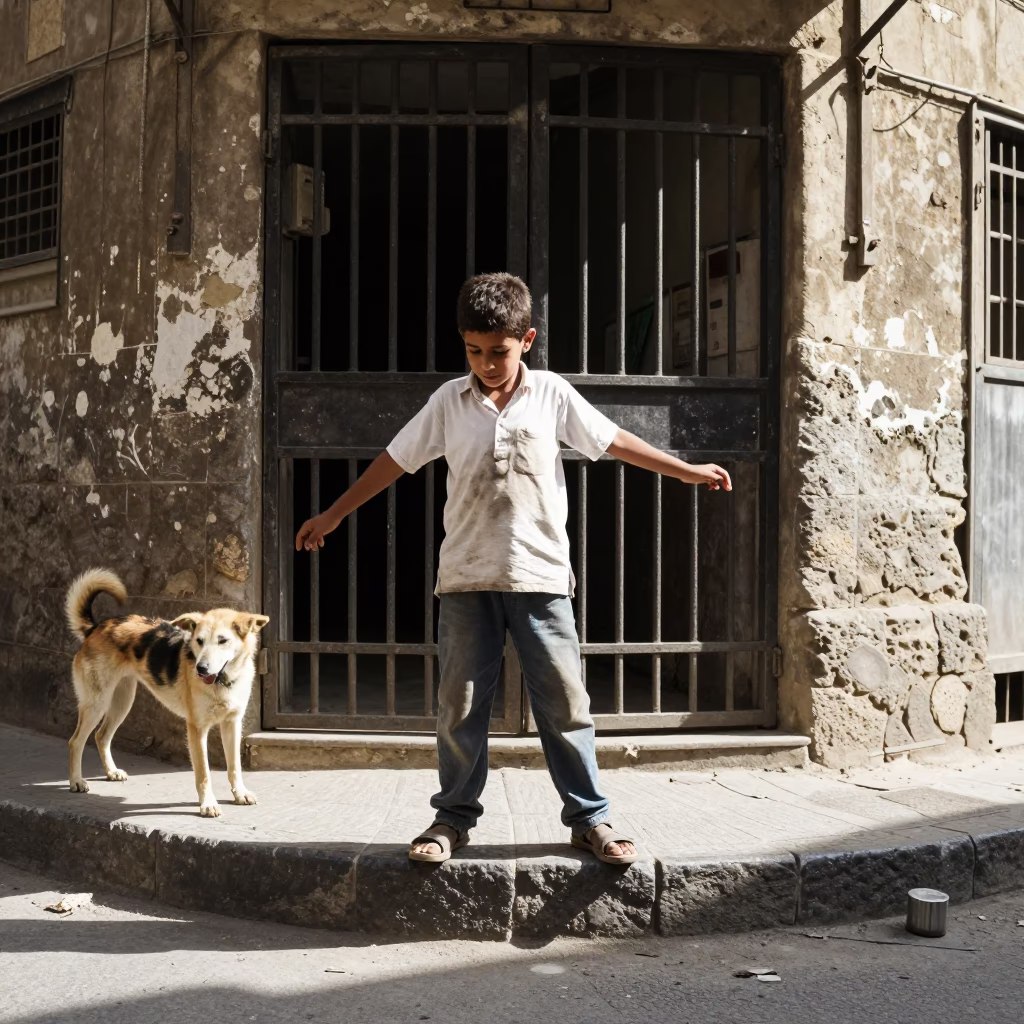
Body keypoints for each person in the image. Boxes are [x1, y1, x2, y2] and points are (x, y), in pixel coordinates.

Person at [295, 272, 731, 865]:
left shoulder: (551, 394)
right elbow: (395, 461)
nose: (486, 363)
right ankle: (452, 819)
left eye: (497, 351)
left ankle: (590, 818)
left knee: (565, 702)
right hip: (466, 579)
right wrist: (334, 513)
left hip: (541, 576)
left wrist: (685, 470)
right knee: (459, 704)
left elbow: (613, 441)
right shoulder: (449, 401)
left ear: (526, 339)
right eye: (473, 351)